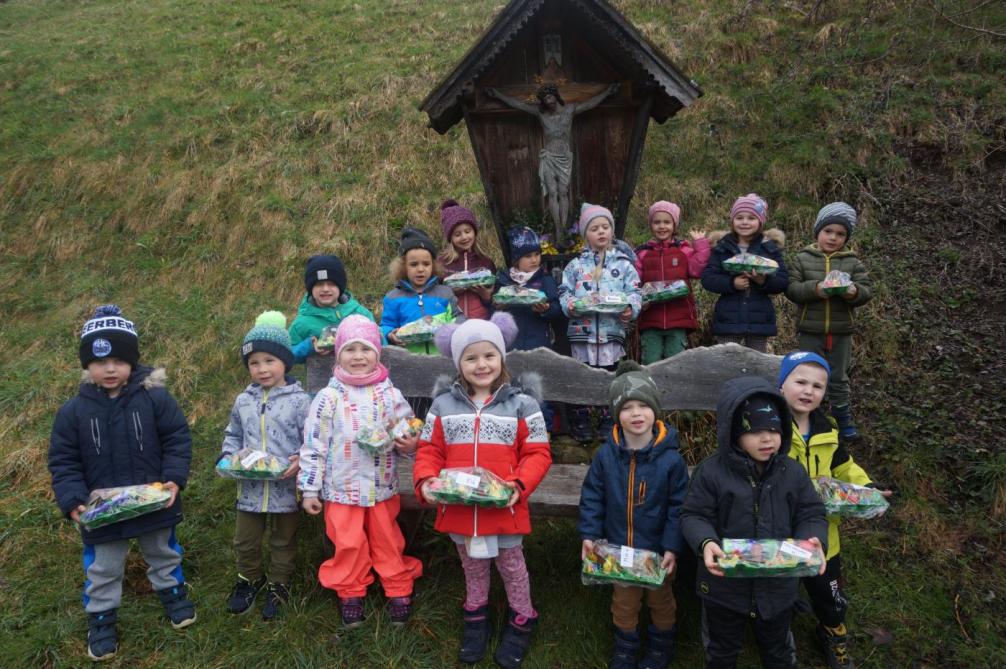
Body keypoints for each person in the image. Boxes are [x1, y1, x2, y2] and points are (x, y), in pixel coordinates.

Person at [48, 305, 195, 662]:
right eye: (99, 362)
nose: (109, 369)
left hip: (154, 502)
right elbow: (64, 461)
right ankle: (101, 617)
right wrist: (72, 500)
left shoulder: (155, 398)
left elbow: (177, 439)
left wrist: (173, 480)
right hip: (101, 513)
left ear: (132, 361)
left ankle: (172, 591)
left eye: (117, 359)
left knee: (163, 550)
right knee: (103, 566)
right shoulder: (72, 412)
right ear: (87, 366)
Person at [414, 314, 552, 668]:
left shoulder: (522, 405)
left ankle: (522, 617)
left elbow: (538, 453)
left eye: (489, 355)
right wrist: (426, 480)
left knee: (511, 566)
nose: (481, 364)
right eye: (471, 357)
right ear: (459, 362)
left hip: (504, 508)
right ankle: (476, 617)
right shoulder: (443, 405)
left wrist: (518, 486)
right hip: (459, 509)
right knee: (472, 566)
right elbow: (429, 449)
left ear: (502, 357)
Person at [681, 376, 828, 669]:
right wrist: (706, 542)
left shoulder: (792, 472)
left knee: (779, 652)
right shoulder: (711, 473)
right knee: (721, 651)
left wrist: (813, 540)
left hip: (778, 588)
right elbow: (693, 515)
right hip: (723, 589)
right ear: (733, 433)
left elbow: (811, 512)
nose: (767, 439)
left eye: (774, 430)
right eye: (756, 431)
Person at [299, 315, 423, 627]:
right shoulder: (328, 398)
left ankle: (398, 586)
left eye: (365, 349)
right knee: (348, 542)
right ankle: (351, 590)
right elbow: (314, 444)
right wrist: (310, 489)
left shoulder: (389, 394)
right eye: (350, 349)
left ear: (377, 354)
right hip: (341, 487)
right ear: (338, 353)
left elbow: (406, 431)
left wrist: (409, 445)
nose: (358, 356)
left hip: (381, 486)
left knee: (387, 539)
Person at [777, 351, 891, 669]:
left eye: (817, 385)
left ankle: (832, 633)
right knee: (780, 592)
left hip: (826, 538)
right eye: (800, 381)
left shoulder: (828, 430)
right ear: (782, 384)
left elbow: (845, 468)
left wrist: (866, 489)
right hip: (781, 534)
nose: (808, 391)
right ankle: (778, 637)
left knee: (830, 598)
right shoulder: (772, 431)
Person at [578, 361, 688, 669]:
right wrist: (589, 535)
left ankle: (660, 646)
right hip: (618, 551)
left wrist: (671, 547)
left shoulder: (671, 461)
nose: (636, 414)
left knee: (660, 600)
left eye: (643, 406)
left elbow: (678, 508)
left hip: (657, 553)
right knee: (624, 602)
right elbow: (592, 497)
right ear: (616, 414)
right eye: (627, 408)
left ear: (655, 410)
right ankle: (625, 647)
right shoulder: (605, 456)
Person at [219, 311, 310, 620]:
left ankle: (279, 583)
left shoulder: (300, 401)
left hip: (286, 486)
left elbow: (310, 440)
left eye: (269, 361)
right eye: (254, 363)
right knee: (244, 539)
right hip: (250, 486)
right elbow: (232, 433)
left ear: (285, 361)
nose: (262, 369)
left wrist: (301, 460)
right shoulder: (243, 401)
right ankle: (250, 578)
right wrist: (228, 456)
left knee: (284, 538)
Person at [484, 83, 619, 244]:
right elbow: (519, 105)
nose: (548, 101)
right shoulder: (541, 115)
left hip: (564, 158)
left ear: (556, 96)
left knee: (563, 192)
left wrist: (607, 93)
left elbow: (590, 104)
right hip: (548, 157)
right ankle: (558, 229)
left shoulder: (570, 110)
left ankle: (563, 226)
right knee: (553, 193)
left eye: (550, 96)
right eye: (545, 99)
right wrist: (498, 94)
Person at [786, 202, 873, 440]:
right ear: (818, 232)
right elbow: (791, 288)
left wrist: (852, 292)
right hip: (810, 329)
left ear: (846, 237)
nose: (833, 238)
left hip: (841, 330)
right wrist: (816, 290)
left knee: (838, 376)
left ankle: (842, 420)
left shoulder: (852, 262)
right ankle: (808, 419)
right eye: (828, 232)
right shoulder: (803, 258)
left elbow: (866, 291)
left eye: (840, 234)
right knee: (808, 374)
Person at [559, 202, 642, 442]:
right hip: (582, 334)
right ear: (586, 234)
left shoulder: (624, 264)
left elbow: (636, 292)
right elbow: (564, 291)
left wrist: (630, 308)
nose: (601, 232)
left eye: (605, 227)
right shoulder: (575, 265)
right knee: (582, 377)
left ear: (612, 231)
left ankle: (608, 420)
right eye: (595, 228)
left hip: (610, 333)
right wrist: (571, 305)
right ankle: (582, 421)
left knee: (609, 376)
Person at [701, 194, 788, 353]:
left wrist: (763, 281)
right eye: (739, 217)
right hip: (728, 320)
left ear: (760, 222)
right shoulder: (722, 247)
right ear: (732, 221)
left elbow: (782, 280)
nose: (745, 222)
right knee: (727, 362)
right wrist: (731, 283)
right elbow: (708, 279)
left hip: (759, 320)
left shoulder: (769, 247)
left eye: (751, 218)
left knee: (756, 365)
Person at [634, 200, 710, 362]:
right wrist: (639, 299)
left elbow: (697, 270)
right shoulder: (642, 254)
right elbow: (634, 282)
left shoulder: (684, 250)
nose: (662, 226)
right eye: (657, 222)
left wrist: (701, 245)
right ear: (651, 225)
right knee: (650, 362)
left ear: (674, 225)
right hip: (650, 319)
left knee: (676, 362)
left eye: (667, 222)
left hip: (678, 318)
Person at [381, 226, 459, 356]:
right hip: (409, 360)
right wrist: (389, 334)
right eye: (413, 264)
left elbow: (458, 317)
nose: (421, 269)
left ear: (433, 265)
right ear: (403, 267)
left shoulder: (445, 293)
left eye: (426, 264)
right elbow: (386, 324)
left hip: (443, 357)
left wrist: (453, 330)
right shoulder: (393, 298)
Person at [288, 254, 378, 365]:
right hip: (322, 379)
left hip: (361, 374)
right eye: (319, 284)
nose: (325, 289)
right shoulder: (301, 323)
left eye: (331, 284)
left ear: (340, 287)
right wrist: (308, 346)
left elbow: (379, 340)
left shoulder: (361, 314)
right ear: (311, 289)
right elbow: (287, 354)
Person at [439, 199, 497, 320]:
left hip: (481, 323)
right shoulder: (442, 264)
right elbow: (434, 297)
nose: (464, 237)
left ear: (474, 232)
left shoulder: (485, 262)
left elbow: (495, 302)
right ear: (450, 238)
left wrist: (486, 297)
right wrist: (450, 292)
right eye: (457, 234)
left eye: (467, 231)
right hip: (452, 324)